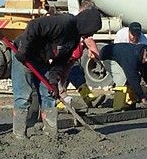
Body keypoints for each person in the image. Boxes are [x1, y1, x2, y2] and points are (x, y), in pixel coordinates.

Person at [11, 8, 102, 139]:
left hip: (42, 60)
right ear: (86, 24)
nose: (91, 35)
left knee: (49, 95)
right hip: (23, 55)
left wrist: (53, 81)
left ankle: (50, 133)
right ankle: (19, 135)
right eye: (92, 30)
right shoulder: (64, 22)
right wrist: (23, 49)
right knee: (24, 95)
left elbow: (60, 62)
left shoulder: (74, 40)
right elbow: (34, 25)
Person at [99, 43, 147, 112]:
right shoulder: (132, 57)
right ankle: (118, 106)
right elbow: (132, 79)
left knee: (136, 78)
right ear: (144, 51)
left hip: (121, 56)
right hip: (107, 56)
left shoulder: (146, 59)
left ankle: (130, 103)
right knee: (122, 78)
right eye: (146, 57)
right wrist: (143, 99)